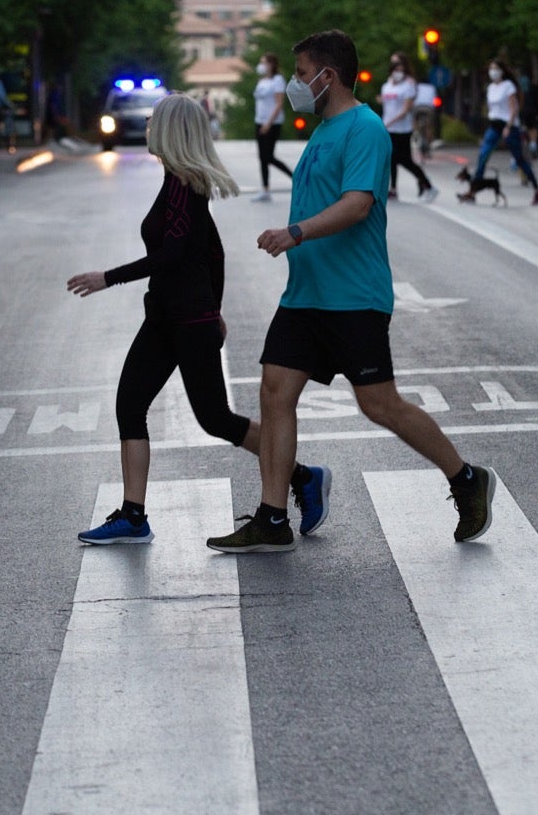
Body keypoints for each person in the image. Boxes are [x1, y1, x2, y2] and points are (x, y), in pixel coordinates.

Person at [209, 29, 497, 553]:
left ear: (329, 76)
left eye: (300, 75)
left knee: (379, 404)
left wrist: (294, 232)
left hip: (354, 297)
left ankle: (466, 478)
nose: (295, 85)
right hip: (306, 296)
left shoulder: (365, 129)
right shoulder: (322, 131)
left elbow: (359, 203)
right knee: (275, 392)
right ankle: (273, 518)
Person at [67, 95, 330, 545]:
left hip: (188, 323)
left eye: (154, 120)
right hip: (167, 318)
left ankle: (303, 476)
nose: (147, 124)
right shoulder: (176, 181)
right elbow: (213, 251)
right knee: (130, 405)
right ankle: (133, 516)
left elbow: (169, 256)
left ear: (171, 130)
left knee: (215, 419)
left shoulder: (186, 187)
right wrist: (219, 308)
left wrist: (106, 278)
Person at [468, 58, 538, 204]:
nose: (493, 72)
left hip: (508, 125)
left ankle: (537, 189)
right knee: (482, 155)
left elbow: (513, 108)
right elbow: (491, 109)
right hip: (494, 125)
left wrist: (508, 127)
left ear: (502, 71)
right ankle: (473, 190)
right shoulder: (490, 88)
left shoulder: (508, 86)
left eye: (495, 68)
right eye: (491, 69)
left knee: (519, 159)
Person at [379, 52, 434, 201]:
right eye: (394, 66)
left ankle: (427, 184)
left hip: (402, 129)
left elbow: (405, 110)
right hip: (389, 129)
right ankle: (394, 189)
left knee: (404, 160)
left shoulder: (408, 84)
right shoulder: (387, 85)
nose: (398, 72)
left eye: (400, 67)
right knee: (391, 159)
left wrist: (387, 123)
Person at [251, 53, 290, 202]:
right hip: (259, 121)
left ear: (271, 64)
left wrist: (269, 122)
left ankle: (294, 176)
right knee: (262, 157)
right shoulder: (262, 81)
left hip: (272, 123)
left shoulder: (277, 80)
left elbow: (279, 103)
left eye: (264, 62)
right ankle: (265, 190)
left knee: (268, 156)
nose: (261, 65)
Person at [413, 77, 437, 160]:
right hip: (428, 108)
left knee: (414, 120)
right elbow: (434, 100)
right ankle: (429, 142)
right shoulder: (432, 87)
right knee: (429, 127)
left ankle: (416, 133)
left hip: (417, 108)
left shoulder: (416, 86)